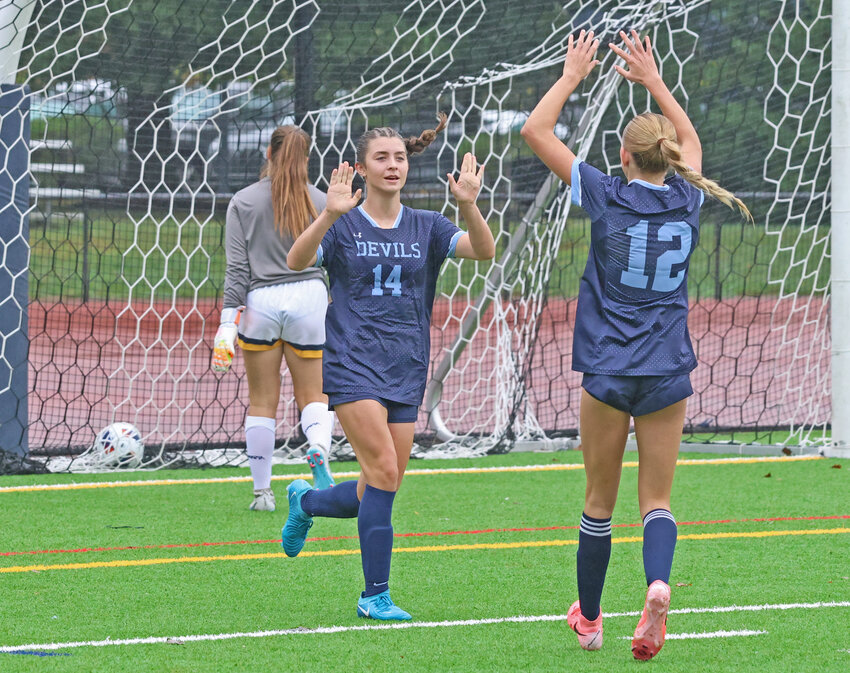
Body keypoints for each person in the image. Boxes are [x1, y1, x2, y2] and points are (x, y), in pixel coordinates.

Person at [521, 30, 752, 660]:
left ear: (623, 157)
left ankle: (590, 620)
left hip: (608, 368)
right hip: (666, 367)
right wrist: (652, 79)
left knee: (599, 501)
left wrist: (572, 75)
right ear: (670, 157)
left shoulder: (605, 194)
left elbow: (535, 133)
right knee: (657, 501)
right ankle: (657, 585)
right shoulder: (687, 198)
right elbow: (693, 142)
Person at [283, 113, 495, 621]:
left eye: (399, 157)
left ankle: (307, 504)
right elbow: (296, 260)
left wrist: (469, 206)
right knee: (380, 470)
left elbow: (483, 251)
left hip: (406, 367)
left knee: (380, 485)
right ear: (361, 167)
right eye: (381, 157)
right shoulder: (344, 223)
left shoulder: (426, 225)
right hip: (353, 364)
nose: (392, 164)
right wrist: (328, 214)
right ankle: (374, 594)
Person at [213, 125, 337, 512]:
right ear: (307, 159)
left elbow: (237, 271)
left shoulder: (242, 201)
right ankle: (318, 449)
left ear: (268, 153)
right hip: (310, 300)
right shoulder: (323, 200)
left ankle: (261, 494)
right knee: (314, 396)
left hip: (261, 301)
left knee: (262, 401)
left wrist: (226, 326)